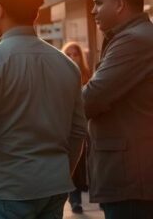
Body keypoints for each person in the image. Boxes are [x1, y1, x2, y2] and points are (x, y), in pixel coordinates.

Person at [0, 0, 86, 219]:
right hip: (54, 184)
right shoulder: (67, 65)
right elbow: (78, 130)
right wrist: (61, 170)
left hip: (8, 185)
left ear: (0, 10)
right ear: (35, 14)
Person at [83, 0, 153, 219]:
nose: (93, 10)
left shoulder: (133, 40)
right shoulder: (132, 36)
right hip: (129, 177)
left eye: (99, 3)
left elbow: (90, 99)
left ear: (120, 5)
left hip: (132, 178)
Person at [61, 41, 91, 214]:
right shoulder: (60, 75)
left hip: (88, 125)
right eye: (68, 54)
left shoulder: (88, 75)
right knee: (75, 163)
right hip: (71, 126)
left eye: (75, 54)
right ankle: (75, 199)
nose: (72, 57)